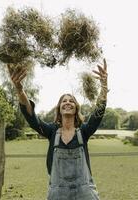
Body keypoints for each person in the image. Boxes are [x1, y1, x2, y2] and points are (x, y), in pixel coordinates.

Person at [10, 59, 108, 200]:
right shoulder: (51, 131)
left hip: (85, 192)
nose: (68, 103)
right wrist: (19, 90)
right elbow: (32, 118)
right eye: (64, 101)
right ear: (59, 108)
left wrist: (104, 85)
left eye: (71, 101)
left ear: (76, 108)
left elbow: (98, 112)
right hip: (58, 194)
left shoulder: (83, 131)